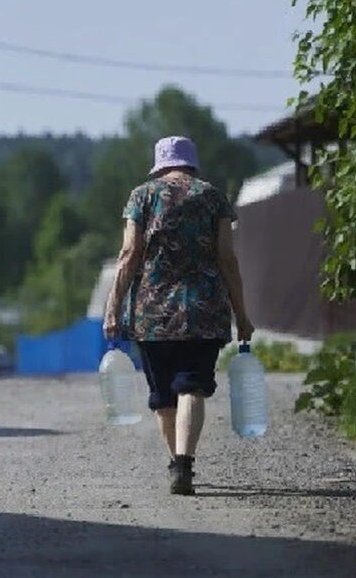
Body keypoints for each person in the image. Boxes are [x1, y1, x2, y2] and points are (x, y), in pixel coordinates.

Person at [103, 135, 254, 495]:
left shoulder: (142, 196)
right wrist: (242, 314)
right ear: (191, 163)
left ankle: (178, 463)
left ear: (161, 165)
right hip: (204, 309)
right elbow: (227, 259)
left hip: (152, 314)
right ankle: (183, 463)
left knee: (163, 397)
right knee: (192, 387)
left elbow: (129, 253)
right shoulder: (213, 197)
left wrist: (113, 308)